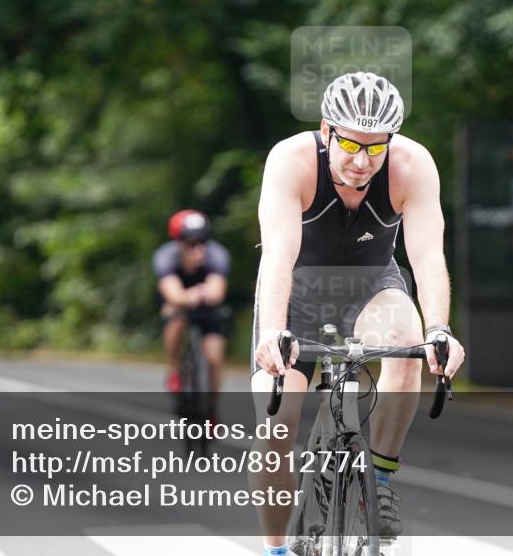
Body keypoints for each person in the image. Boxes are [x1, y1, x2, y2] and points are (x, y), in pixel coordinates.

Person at [250, 72, 467, 555]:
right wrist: (273, 333)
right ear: (327, 131)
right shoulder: (292, 160)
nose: (362, 161)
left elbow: (429, 257)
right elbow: (278, 256)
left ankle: (382, 483)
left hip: (372, 287)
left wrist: (438, 330)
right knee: (276, 426)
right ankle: (275, 548)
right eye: (350, 144)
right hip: (300, 293)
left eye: (376, 147)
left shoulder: (413, 165)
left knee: (409, 339)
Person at [152, 210, 231, 422]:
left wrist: (193, 295)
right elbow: (174, 295)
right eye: (190, 242)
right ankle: (175, 371)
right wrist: (195, 294)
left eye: (202, 241)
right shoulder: (165, 257)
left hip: (207, 311)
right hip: (180, 310)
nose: (198, 248)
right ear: (178, 242)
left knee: (214, 359)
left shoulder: (217, 255)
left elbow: (216, 294)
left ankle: (212, 411)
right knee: (175, 319)